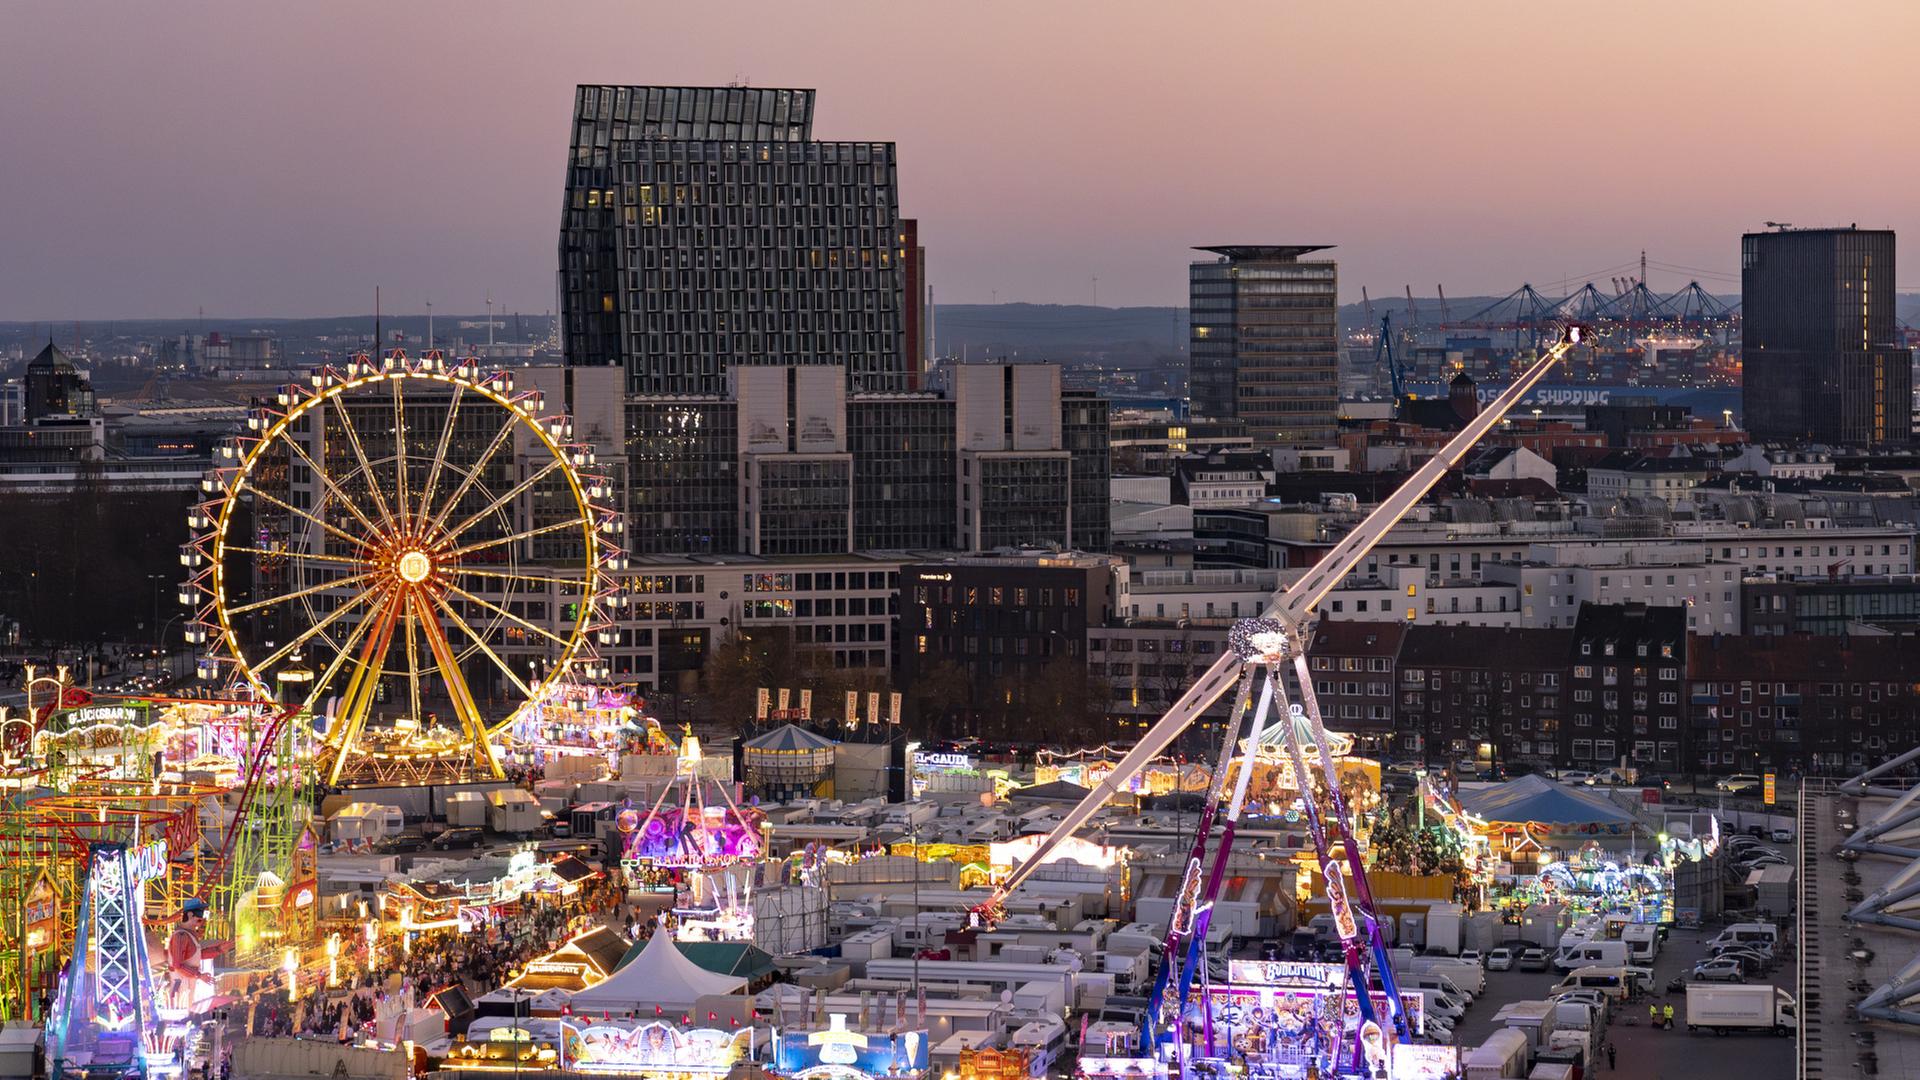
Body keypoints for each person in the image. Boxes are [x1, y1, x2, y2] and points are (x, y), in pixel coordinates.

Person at [165, 897, 231, 1013]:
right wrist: (199, 975)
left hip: (186, 986)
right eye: (199, 918)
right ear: (190, 915)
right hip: (180, 987)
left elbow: (196, 955)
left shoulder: (188, 935)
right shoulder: (181, 936)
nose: (201, 921)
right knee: (181, 1014)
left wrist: (219, 949)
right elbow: (177, 965)